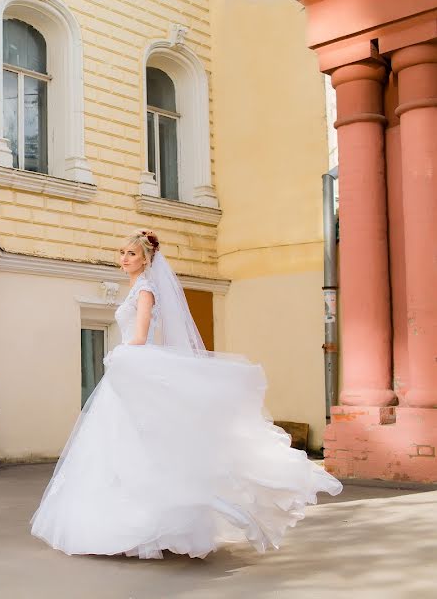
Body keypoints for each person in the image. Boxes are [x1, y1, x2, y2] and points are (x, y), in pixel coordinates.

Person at [30, 230, 342, 559]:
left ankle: (150, 526)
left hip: (133, 363)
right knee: (125, 444)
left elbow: (140, 336)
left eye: (131, 254)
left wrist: (118, 354)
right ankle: (137, 526)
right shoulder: (136, 288)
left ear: (146, 259)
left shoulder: (146, 290)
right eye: (121, 252)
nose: (124, 258)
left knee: (138, 443)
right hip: (131, 369)